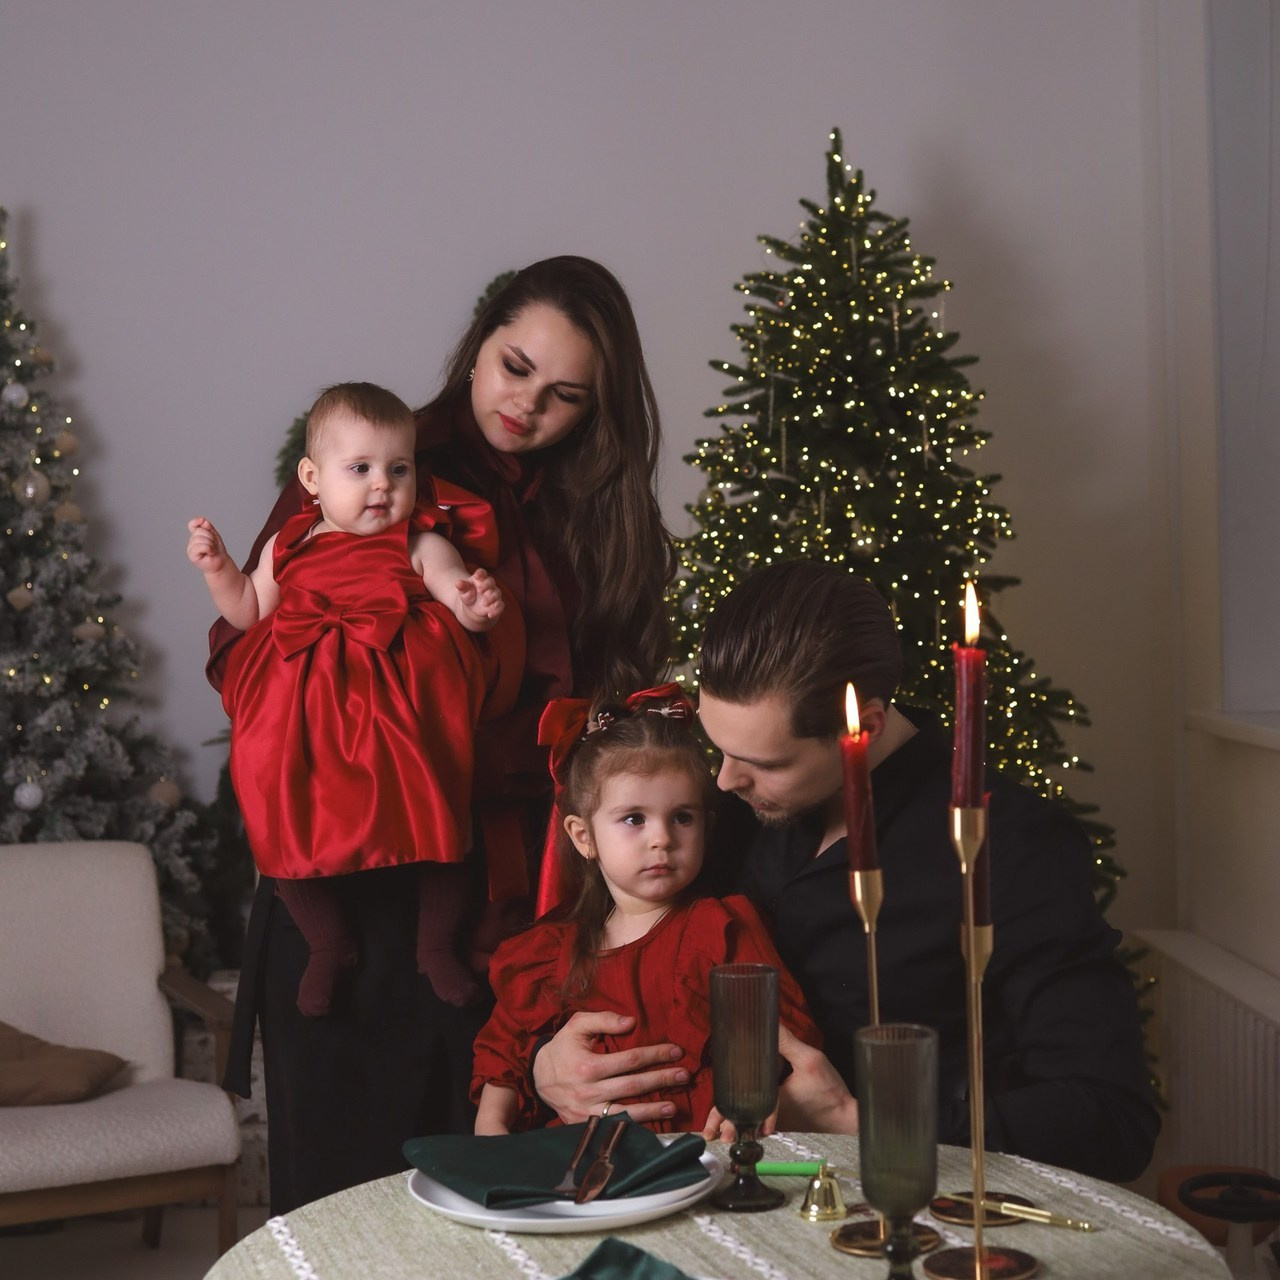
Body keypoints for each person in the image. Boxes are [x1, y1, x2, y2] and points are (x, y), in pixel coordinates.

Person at [207, 257, 674, 1212]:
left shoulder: (594, 516)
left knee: (491, 1197)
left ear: (593, 411)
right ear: (477, 347)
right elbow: (238, 644)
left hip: (507, 893)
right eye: (513, 367)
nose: (526, 405)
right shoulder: (371, 462)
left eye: (564, 396)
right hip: (353, 864)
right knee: (346, 1202)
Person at [531, 561, 1160, 1183]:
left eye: (763, 762)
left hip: (921, 1204)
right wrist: (547, 1062)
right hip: (714, 1189)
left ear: (866, 728)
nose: (723, 780)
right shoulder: (716, 819)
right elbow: (598, 948)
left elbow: (1113, 1120)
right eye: (717, 749)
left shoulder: (1012, 844)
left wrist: (860, 1117)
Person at [189, 382, 506, 1015]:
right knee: (277, 804)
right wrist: (219, 569)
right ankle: (328, 943)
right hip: (305, 711)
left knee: (442, 806)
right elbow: (250, 611)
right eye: (359, 468)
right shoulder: (291, 544)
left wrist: (475, 604)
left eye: (399, 468)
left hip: (398, 711)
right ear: (312, 477)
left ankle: (436, 945)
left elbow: (452, 590)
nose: (382, 485)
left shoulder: (420, 541)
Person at [471, 685, 821, 1135]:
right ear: (583, 838)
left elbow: (781, 1035)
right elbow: (505, 1055)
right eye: (634, 818)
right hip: (583, 1165)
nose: (662, 838)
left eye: (682, 817)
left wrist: (751, 1095)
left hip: (700, 1154)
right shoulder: (547, 952)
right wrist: (491, 1134)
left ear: (706, 828)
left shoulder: (719, 928)